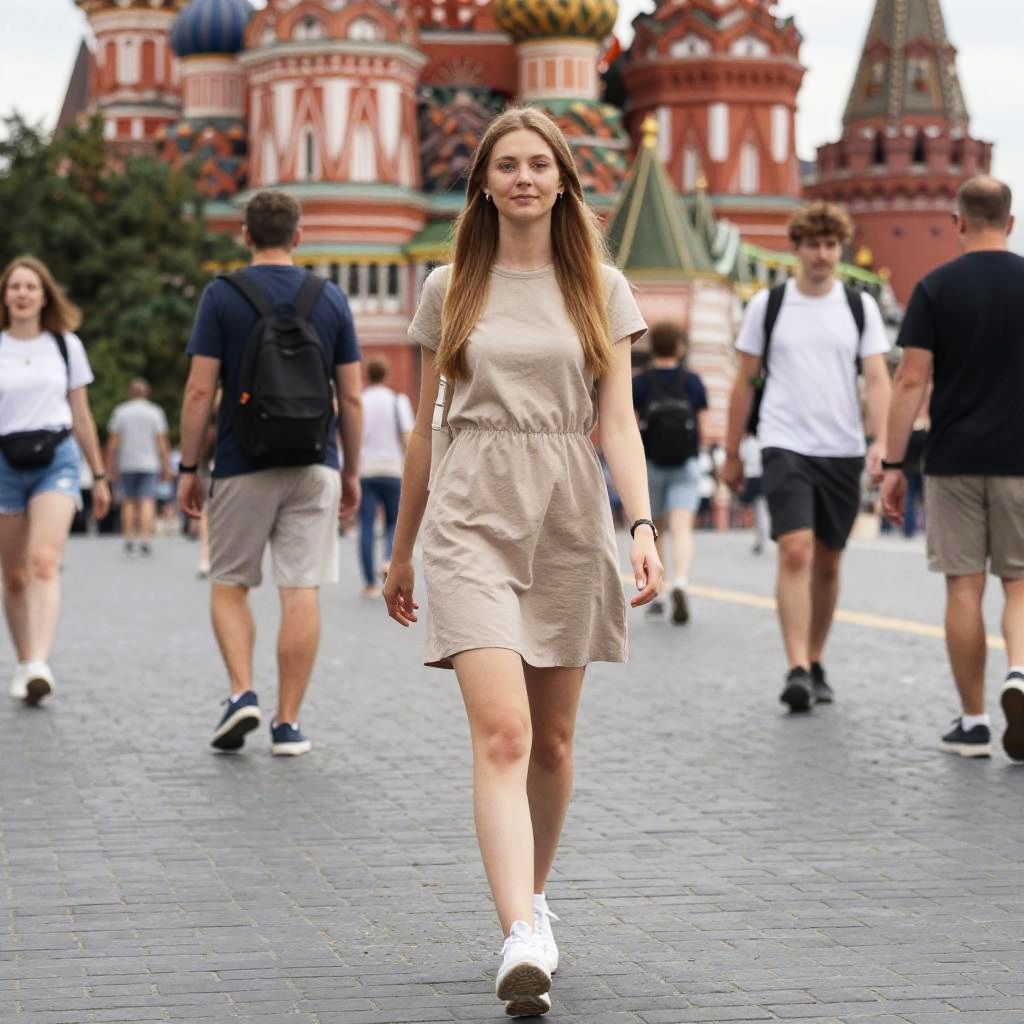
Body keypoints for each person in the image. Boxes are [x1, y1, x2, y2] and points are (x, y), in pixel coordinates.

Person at [383, 108, 661, 1017]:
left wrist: (642, 525)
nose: (524, 179)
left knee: (554, 739)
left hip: (568, 513)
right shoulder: (450, 285)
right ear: (484, 184)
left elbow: (618, 421)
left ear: (565, 181)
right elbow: (425, 428)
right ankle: (518, 936)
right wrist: (401, 550)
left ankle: (534, 900)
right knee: (503, 733)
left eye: (540, 164)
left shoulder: (601, 290)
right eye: (507, 165)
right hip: (470, 513)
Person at [177, 190, 363, 757]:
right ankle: (288, 724)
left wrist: (189, 466)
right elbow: (352, 397)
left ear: (246, 235)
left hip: (242, 461)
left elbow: (199, 390)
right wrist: (350, 471)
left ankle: (242, 693)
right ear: (298, 237)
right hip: (314, 461)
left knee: (231, 583)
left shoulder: (222, 295)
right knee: (300, 588)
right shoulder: (329, 297)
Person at [722, 202, 891, 712]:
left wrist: (882, 442)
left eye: (831, 245)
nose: (822, 254)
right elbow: (743, 381)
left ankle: (815, 660)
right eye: (813, 245)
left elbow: (877, 378)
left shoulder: (860, 307)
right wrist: (732, 451)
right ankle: (795, 666)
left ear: (840, 249)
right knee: (796, 549)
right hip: (784, 441)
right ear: (796, 248)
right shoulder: (768, 305)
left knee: (830, 562)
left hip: (842, 447)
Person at [881, 176, 1024, 761]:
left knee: (964, 587)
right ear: (1010, 222)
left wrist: (893, 463)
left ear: (959, 222)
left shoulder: (935, 286)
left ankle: (975, 722)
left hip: (954, 460)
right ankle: (1020, 673)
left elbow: (910, 380)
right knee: (1019, 583)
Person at [0, 255, 110, 704]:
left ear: (45, 296)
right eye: (15, 287)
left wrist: (98, 474)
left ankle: (40, 663)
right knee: (14, 576)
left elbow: (81, 413)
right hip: (4, 461)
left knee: (44, 561)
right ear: (5, 296)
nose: (22, 294)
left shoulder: (65, 345)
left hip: (57, 459)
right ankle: (25, 661)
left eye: (31, 286)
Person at [632, 322, 707, 623]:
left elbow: (629, 425)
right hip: (685, 463)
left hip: (651, 464)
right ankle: (681, 582)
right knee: (682, 528)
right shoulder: (692, 380)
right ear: (679, 346)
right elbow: (700, 425)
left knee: (655, 529)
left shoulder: (641, 382)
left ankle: (658, 591)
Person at [358, 359, 414, 597]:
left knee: (366, 525)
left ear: (366, 375)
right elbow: (408, 436)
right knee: (394, 522)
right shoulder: (397, 401)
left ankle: (369, 583)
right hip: (392, 469)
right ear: (387, 375)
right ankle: (388, 560)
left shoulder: (360, 401)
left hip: (365, 469)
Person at [105, 377, 171, 556]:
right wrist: (166, 465)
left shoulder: (121, 412)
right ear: (147, 393)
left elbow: (113, 442)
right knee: (147, 500)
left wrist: (109, 466)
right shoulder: (155, 412)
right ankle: (145, 539)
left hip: (127, 463)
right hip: (149, 463)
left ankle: (128, 538)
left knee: (128, 501)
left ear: (130, 392)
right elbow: (161, 441)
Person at [739, 433, 770, 554]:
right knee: (761, 510)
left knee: (759, 511)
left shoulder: (748, 442)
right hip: (761, 476)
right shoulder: (763, 440)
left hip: (754, 476)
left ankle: (761, 539)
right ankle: (761, 538)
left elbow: (742, 459)